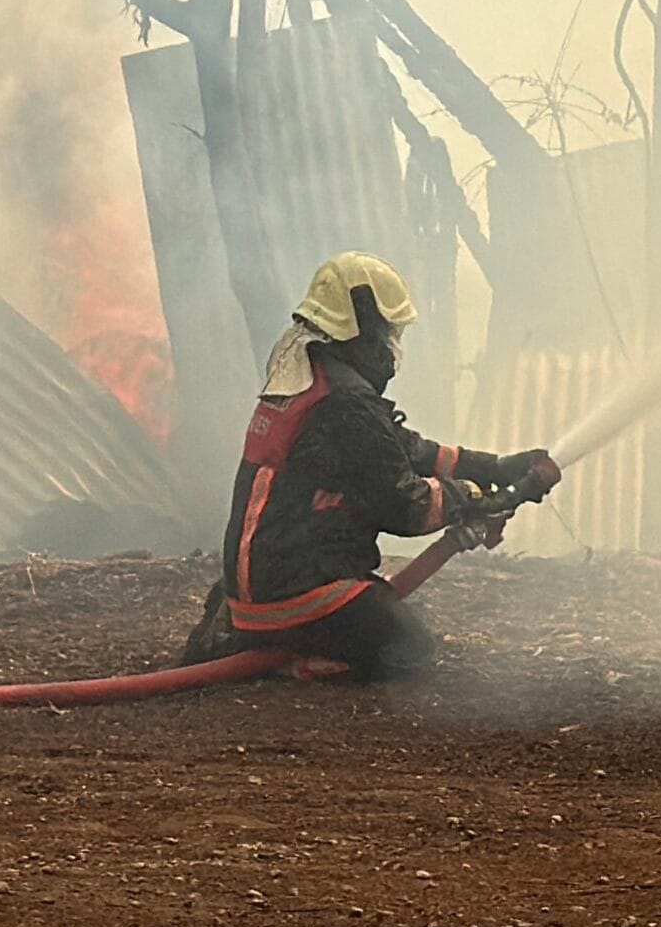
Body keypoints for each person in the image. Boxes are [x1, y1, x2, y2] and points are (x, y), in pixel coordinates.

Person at [180, 252, 558, 679]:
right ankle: (295, 661)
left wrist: (496, 468)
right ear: (362, 327)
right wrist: (472, 498)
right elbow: (406, 508)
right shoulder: (346, 402)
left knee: (381, 619)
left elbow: (402, 448)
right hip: (296, 593)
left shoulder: (317, 380)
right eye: (388, 331)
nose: (391, 346)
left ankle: (272, 640)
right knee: (407, 648)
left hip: (257, 592)